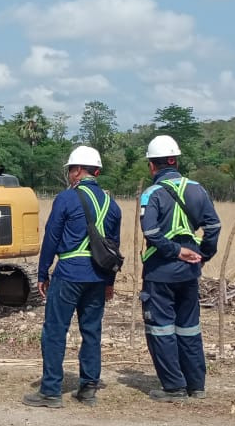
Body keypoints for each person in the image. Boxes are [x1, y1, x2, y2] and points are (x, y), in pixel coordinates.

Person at [23, 145, 122, 408]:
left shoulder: (67, 199)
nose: (69, 174)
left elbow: (52, 236)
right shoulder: (113, 205)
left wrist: (43, 272)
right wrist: (109, 283)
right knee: (91, 331)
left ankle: (51, 391)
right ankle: (88, 388)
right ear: (96, 171)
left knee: (55, 331)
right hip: (98, 277)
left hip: (69, 274)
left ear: (78, 170)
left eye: (70, 170)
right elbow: (114, 248)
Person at [139, 135, 222, 400]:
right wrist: (203, 254)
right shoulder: (198, 189)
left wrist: (175, 251)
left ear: (152, 166)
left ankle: (174, 387)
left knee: (161, 327)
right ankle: (196, 385)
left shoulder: (151, 194)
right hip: (189, 273)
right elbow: (214, 226)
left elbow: (150, 232)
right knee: (189, 327)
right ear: (175, 160)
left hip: (160, 272)